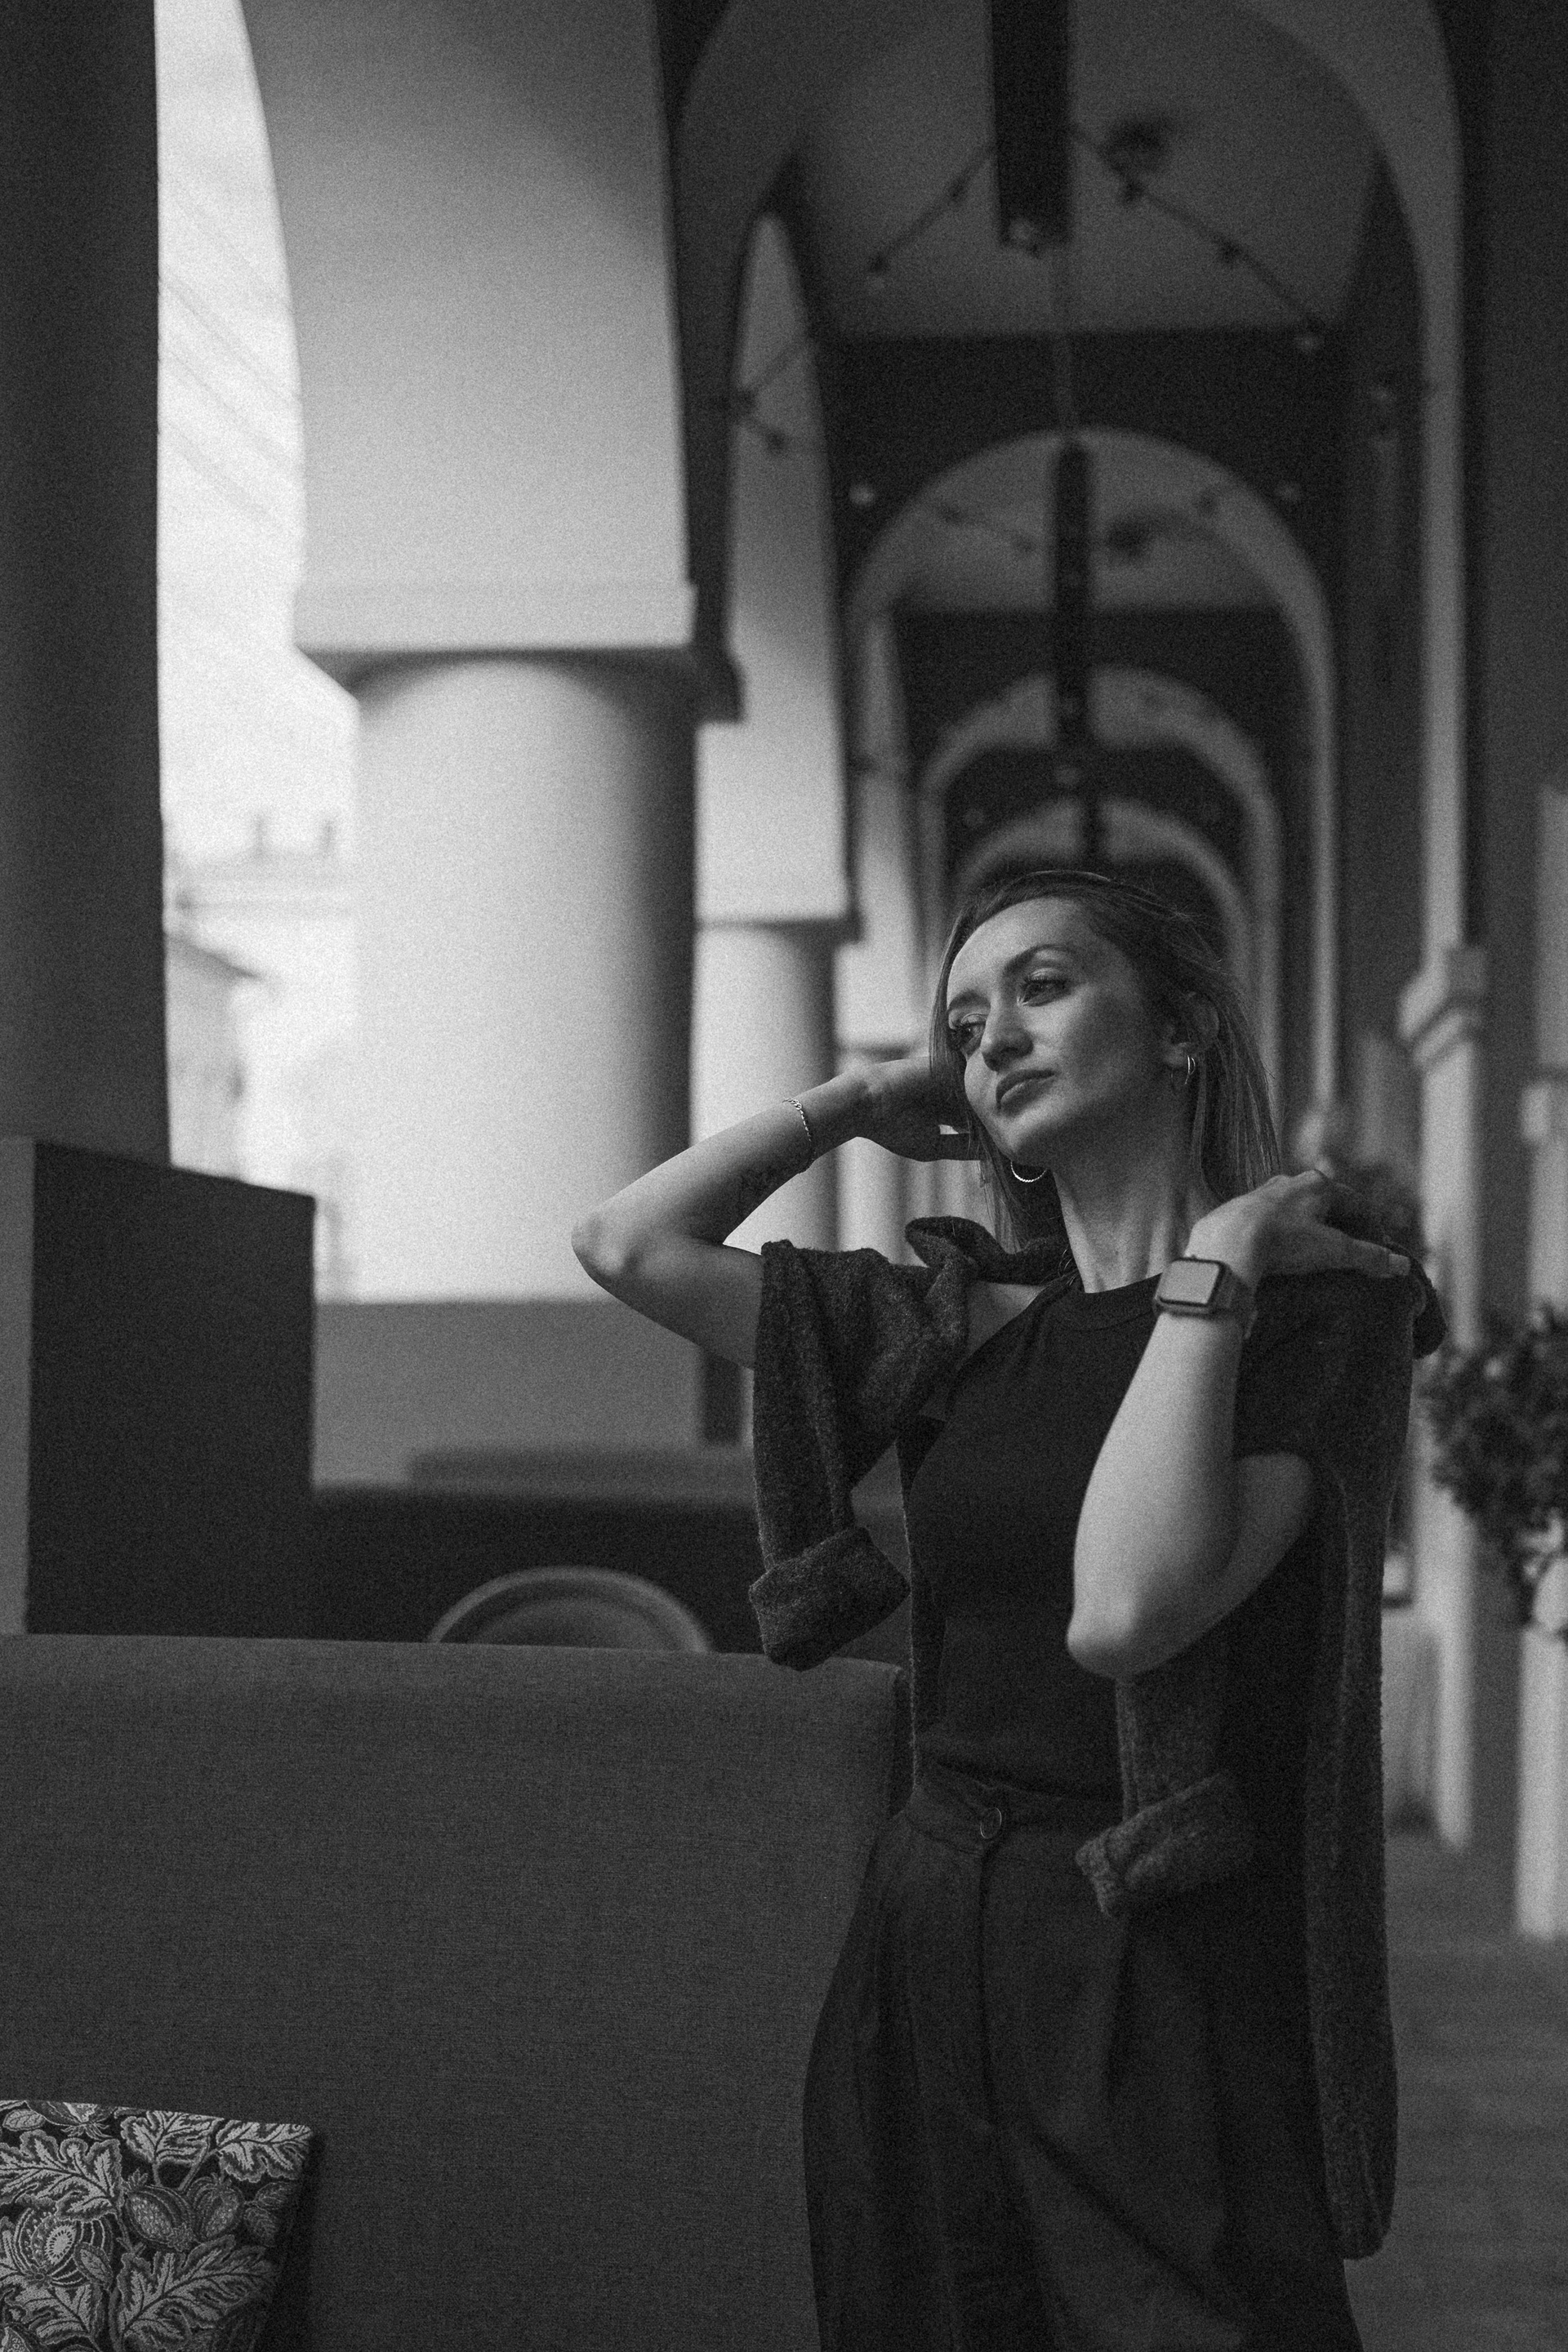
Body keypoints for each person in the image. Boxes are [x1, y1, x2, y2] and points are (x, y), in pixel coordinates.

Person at [572, 867, 1443, 2352]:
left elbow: (1126, 1612)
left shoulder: (1317, 1316)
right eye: (968, 1026)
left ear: (1181, 1030)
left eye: (1044, 988)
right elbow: (626, 1243)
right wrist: (861, 1097)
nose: (996, 1042)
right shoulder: (953, 1322)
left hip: (1156, 1955)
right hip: (928, 1930)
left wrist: (1213, 1269)